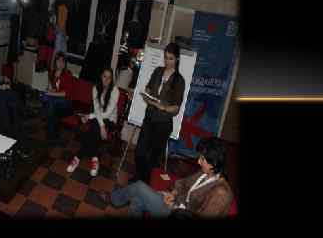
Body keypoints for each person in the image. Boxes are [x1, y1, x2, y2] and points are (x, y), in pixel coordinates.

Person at [104, 137, 234, 218]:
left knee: (139, 187)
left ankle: (115, 199)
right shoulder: (206, 172)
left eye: (202, 159)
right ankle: (116, 199)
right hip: (177, 204)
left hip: (178, 215)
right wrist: (173, 193)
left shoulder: (220, 193)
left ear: (213, 163)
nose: (198, 161)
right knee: (137, 200)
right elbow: (184, 183)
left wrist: (175, 207)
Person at [133, 43, 186, 183]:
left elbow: (176, 108)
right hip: (149, 117)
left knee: (153, 157)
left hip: (163, 123)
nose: (167, 61)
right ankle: (138, 178)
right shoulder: (158, 71)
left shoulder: (179, 81)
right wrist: (147, 94)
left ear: (177, 59)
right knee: (140, 151)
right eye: (165, 57)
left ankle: (145, 183)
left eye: (170, 58)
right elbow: (149, 88)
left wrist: (164, 108)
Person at [66, 68, 120, 177]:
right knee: (95, 128)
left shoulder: (115, 91)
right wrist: (101, 126)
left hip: (110, 120)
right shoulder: (95, 88)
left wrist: (90, 116)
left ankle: (77, 158)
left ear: (112, 80)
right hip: (98, 118)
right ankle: (95, 159)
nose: (106, 80)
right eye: (104, 76)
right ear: (101, 76)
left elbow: (107, 114)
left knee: (94, 127)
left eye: (109, 78)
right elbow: (97, 109)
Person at [40, 51, 75, 143]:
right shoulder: (52, 73)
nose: (61, 63)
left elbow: (65, 94)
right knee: (47, 100)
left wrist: (50, 94)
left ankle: (50, 132)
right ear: (55, 62)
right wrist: (49, 90)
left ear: (65, 63)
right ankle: (52, 134)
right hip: (56, 100)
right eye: (58, 61)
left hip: (67, 104)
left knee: (49, 101)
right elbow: (53, 89)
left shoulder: (68, 74)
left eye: (63, 61)